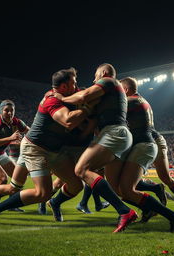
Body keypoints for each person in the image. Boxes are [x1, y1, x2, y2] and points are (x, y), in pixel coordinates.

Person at [0, 67, 96, 227]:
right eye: (74, 83)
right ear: (63, 86)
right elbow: (68, 121)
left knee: (76, 185)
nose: (77, 86)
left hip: (54, 151)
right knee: (41, 192)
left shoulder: (69, 98)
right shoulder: (52, 99)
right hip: (36, 149)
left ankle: (54, 203)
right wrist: (88, 108)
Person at [49, 63, 137, 233]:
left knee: (81, 170)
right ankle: (166, 214)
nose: (93, 79)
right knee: (106, 181)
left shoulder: (109, 81)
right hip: (114, 134)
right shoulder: (108, 95)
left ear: (103, 73)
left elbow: (85, 95)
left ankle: (124, 211)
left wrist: (62, 99)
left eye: (96, 75)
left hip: (114, 132)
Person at [104, 77, 174, 232]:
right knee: (121, 187)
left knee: (131, 188)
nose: (119, 94)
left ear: (126, 90)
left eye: (120, 90)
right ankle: (157, 204)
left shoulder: (131, 101)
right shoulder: (139, 100)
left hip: (148, 143)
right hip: (143, 143)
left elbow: (109, 111)